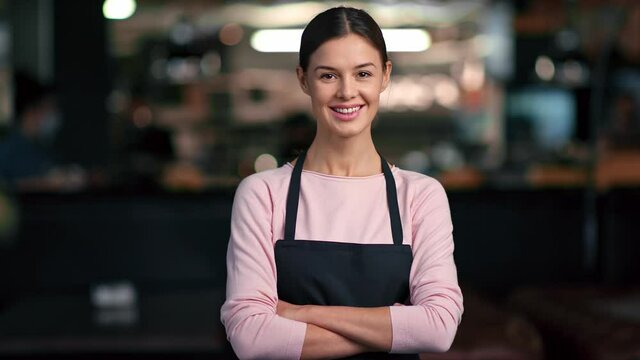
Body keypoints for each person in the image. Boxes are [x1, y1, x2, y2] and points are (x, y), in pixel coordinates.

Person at [221, 6, 463, 359]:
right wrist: (396, 329)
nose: (347, 92)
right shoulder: (263, 194)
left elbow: (439, 329)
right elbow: (250, 337)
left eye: (363, 73)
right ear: (304, 79)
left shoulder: (421, 196)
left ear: (385, 76)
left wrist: (302, 314)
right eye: (328, 76)